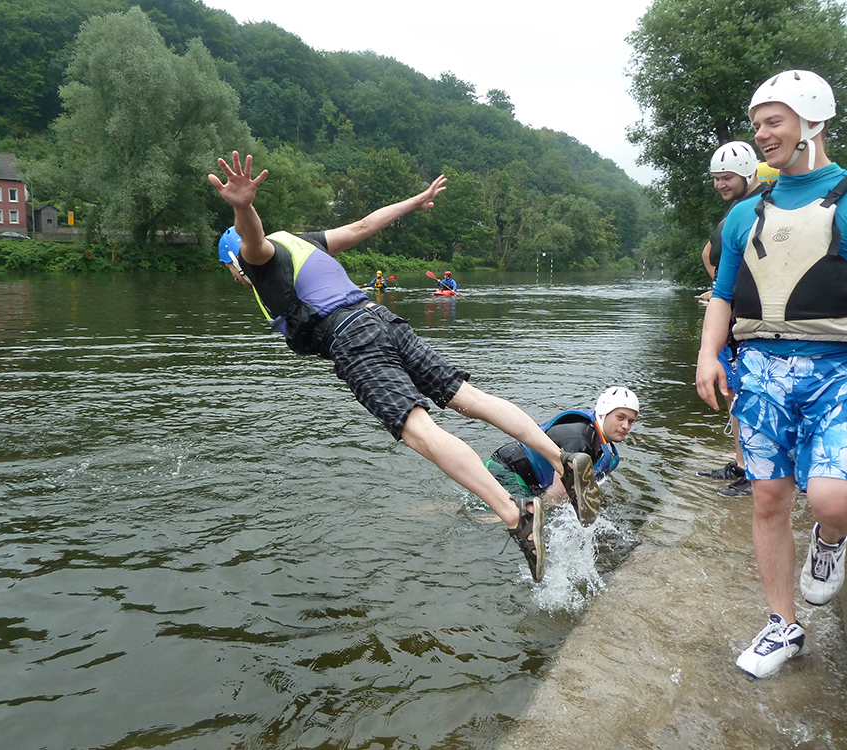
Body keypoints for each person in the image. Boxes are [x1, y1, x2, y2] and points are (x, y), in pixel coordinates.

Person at [210, 150, 602, 583]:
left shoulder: (258, 261)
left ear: (233, 262)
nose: (238, 277)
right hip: (382, 319)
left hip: (350, 337)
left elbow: (253, 243)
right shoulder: (302, 242)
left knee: (418, 431)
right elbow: (364, 226)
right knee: (468, 398)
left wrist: (243, 208)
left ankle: (516, 516)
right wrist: (415, 201)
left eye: (232, 271)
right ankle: (562, 459)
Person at [696, 70, 847, 679]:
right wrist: (709, 354)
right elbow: (723, 295)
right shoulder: (744, 215)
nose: (761, 134)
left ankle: (830, 539)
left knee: (833, 497)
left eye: (773, 121)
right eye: (757, 124)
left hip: (837, 367)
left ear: (813, 122)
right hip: (760, 367)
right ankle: (783, 624)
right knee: (768, 497)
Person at [696, 142, 766, 497]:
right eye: (716, 178)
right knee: (732, 394)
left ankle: (757, 472)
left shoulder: (765, 205)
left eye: (727, 178)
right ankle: (742, 464)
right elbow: (711, 253)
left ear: (748, 173)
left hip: (753, 323)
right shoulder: (738, 209)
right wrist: (720, 290)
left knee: (748, 396)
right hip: (733, 315)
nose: (720, 184)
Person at [484, 387, 638, 525]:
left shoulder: (597, 443)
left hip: (529, 478)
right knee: (526, 520)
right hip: (503, 470)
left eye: (630, 421)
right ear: (603, 413)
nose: (626, 426)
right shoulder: (579, 443)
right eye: (620, 417)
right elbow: (556, 496)